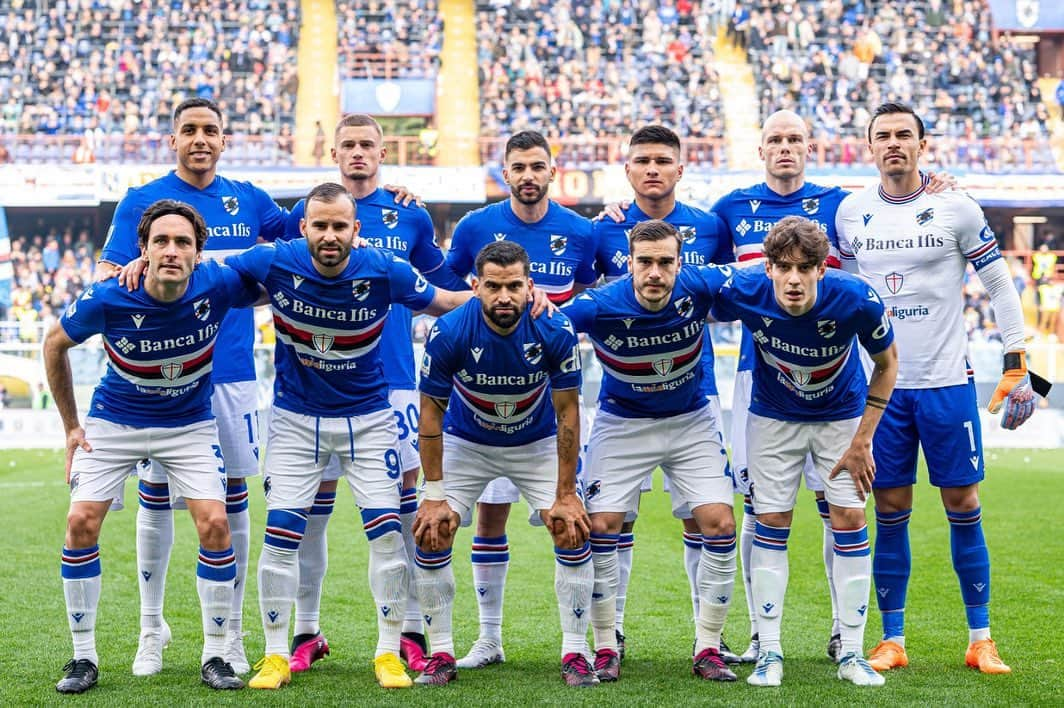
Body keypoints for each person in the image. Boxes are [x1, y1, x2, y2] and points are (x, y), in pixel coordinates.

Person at [712, 109, 953, 663]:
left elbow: (898, 205)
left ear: (810, 147)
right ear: (761, 149)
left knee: (836, 504)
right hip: (760, 377)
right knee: (759, 508)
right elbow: (697, 260)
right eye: (774, 139)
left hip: (834, 381)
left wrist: (939, 185)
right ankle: (759, 632)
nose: (785, 148)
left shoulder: (840, 204)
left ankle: (842, 634)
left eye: (795, 139)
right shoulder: (729, 208)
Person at [224, 183, 473, 690]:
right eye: (321, 225)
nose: (331, 235)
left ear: (356, 229)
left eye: (341, 226)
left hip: (368, 422)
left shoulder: (385, 269)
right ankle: (275, 655)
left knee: (386, 534)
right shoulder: (273, 262)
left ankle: (387, 653)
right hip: (294, 423)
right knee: (281, 537)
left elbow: (447, 300)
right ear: (304, 228)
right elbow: (203, 278)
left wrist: (510, 295)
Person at [836, 101, 1037, 675]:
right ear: (868, 147)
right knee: (890, 506)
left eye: (905, 134)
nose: (894, 143)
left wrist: (1018, 362)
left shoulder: (956, 206)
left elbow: (999, 285)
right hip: (882, 390)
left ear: (923, 145)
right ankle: (892, 640)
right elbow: (848, 298)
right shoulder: (851, 213)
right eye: (883, 135)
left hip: (947, 383)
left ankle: (981, 639)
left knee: (963, 503)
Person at [99, 97, 288, 677]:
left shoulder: (251, 200)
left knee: (230, 502)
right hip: (163, 380)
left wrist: (388, 198)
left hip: (229, 374)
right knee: (156, 501)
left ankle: (227, 636)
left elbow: (303, 237)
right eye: (189, 130)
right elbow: (106, 271)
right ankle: (150, 629)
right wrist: (124, 269)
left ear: (224, 139)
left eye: (210, 130)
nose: (200, 139)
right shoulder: (142, 201)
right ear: (173, 140)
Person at [43, 200, 263, 694]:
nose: (171, 250)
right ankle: (82, 658)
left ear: (199, 253)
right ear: (141, 249)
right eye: (160, 241)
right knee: (80, 522)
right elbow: (54, 343)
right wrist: (72, 428)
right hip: (115, 420)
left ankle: (216, 654)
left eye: (182, 242)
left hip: (188, 424)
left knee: (215, 521)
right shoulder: (108, 295)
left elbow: (282, 275)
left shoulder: (218, 284)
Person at [282, 114, 469, 675]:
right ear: (334, 152)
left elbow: (445, 285)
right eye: (349, 145)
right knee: (310, 508)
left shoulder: (408, 212)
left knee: (402, 506)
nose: (358, 153)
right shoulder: (306, 214)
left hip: (393, 381)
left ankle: (410, 627)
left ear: (383, 152)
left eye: (367, 145)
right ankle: (306, 630)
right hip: (317, 384)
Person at [711, 216, 898, 687]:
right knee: (772, 521)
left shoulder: (856, 297)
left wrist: (863, 439)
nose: (794, 279)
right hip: (772, 419)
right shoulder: (743, 287)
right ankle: (769, 652)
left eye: (805, 267)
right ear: (768, 267)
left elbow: (888, 363)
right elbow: (682, 280)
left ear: (821, 268)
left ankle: (852, 653)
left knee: (850, 520)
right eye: (784, 267)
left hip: (840, 420)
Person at [444, 130, 597, 669]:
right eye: (519, 167)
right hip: (481, 397)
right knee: (488, 520)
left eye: (538, 166)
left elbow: (601, 291)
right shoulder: (473, 227)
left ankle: (587, 644)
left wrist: (554, 318)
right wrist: (492, 311)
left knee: (572, 521)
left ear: (552, 171)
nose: (528, 175)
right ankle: (488, 639)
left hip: (544, 391)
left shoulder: (582, 231)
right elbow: (445, 287)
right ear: (503, 173)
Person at [563, 220, 738, 683]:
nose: (655, 272)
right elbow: (551, 323)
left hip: (690, 421)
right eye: (645, 262)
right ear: (629, 263)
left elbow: (763, 277)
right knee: (601, 525)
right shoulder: (600, 304)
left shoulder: (700, 285)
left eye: (665, 262)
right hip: (623, 423)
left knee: (719, 522)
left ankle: (708, 647)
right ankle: (605, 645)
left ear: (680, 263)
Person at [411, 240, 593, 686]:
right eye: (493, 287)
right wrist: (434, 496)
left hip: (535, 441)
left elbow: (568, 411)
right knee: (432, 531)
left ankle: (575, 651)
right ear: (476, 287)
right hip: (466, 441)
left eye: (514, 286)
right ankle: (441, 654)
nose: (505, 297)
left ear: (530, 285)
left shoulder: (555, 328)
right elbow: (430, 414)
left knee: (571, 525)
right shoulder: (450, 331)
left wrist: (566, 494)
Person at [594, 124, 735, 661]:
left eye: (662, 160)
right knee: (614, 520)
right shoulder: (601, 230)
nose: (652, 169)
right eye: (642, 160)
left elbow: (728, 293)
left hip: (693, 394)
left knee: (704, 518)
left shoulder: (710, 226)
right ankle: (612, 635)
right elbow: (585, 296)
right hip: (621, 402)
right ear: (626, 170)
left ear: (682, 168)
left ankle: (710, 639)